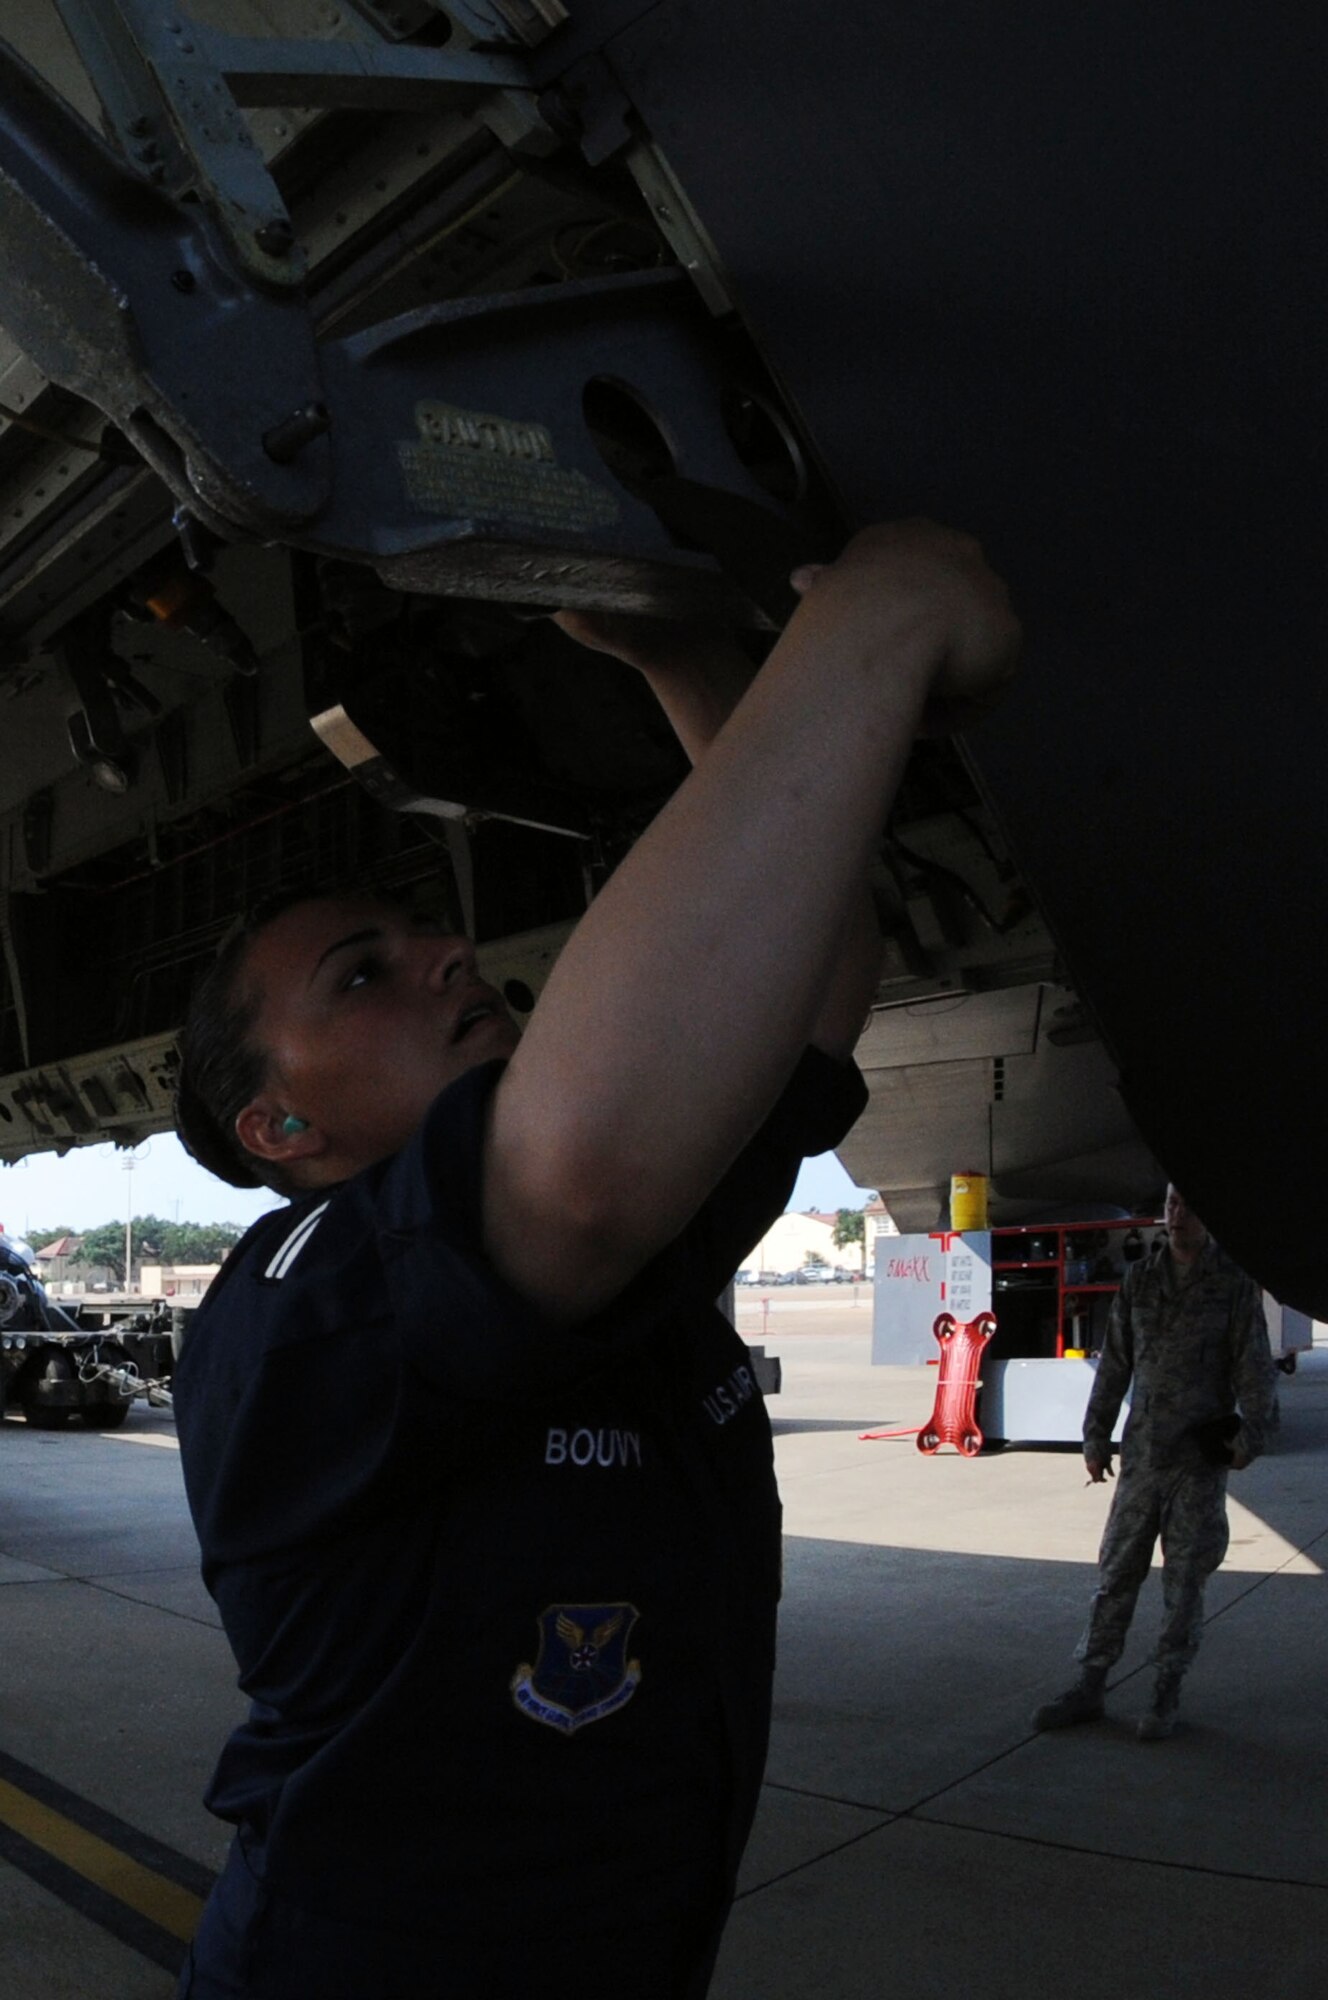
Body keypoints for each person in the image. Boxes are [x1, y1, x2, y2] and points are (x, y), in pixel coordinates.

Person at [169, 521, 1020, 1998]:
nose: (445, 955)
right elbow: (573, 1180)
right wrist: (867, 631)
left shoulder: (593, 1248)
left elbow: (810, 1008)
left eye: (424, 936)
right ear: (276, 1121)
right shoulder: (292, 1297)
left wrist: (698, 667)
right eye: (361, 974)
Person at [1032, 1185, 1277, 1743]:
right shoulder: (1140, 1282)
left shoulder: (1233, 1287)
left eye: (1189, 1206)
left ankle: (1166, 1690)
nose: (1177, 1215)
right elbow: (1114, 1363)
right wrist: (1095, 1436)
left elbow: (1255, 1372)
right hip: (1142, 1456)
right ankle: (1090, 1684)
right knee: (1115, 1574)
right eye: (1170, 1206)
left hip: (1196, 1464)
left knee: (1184, 1583)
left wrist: (1249, 1438)